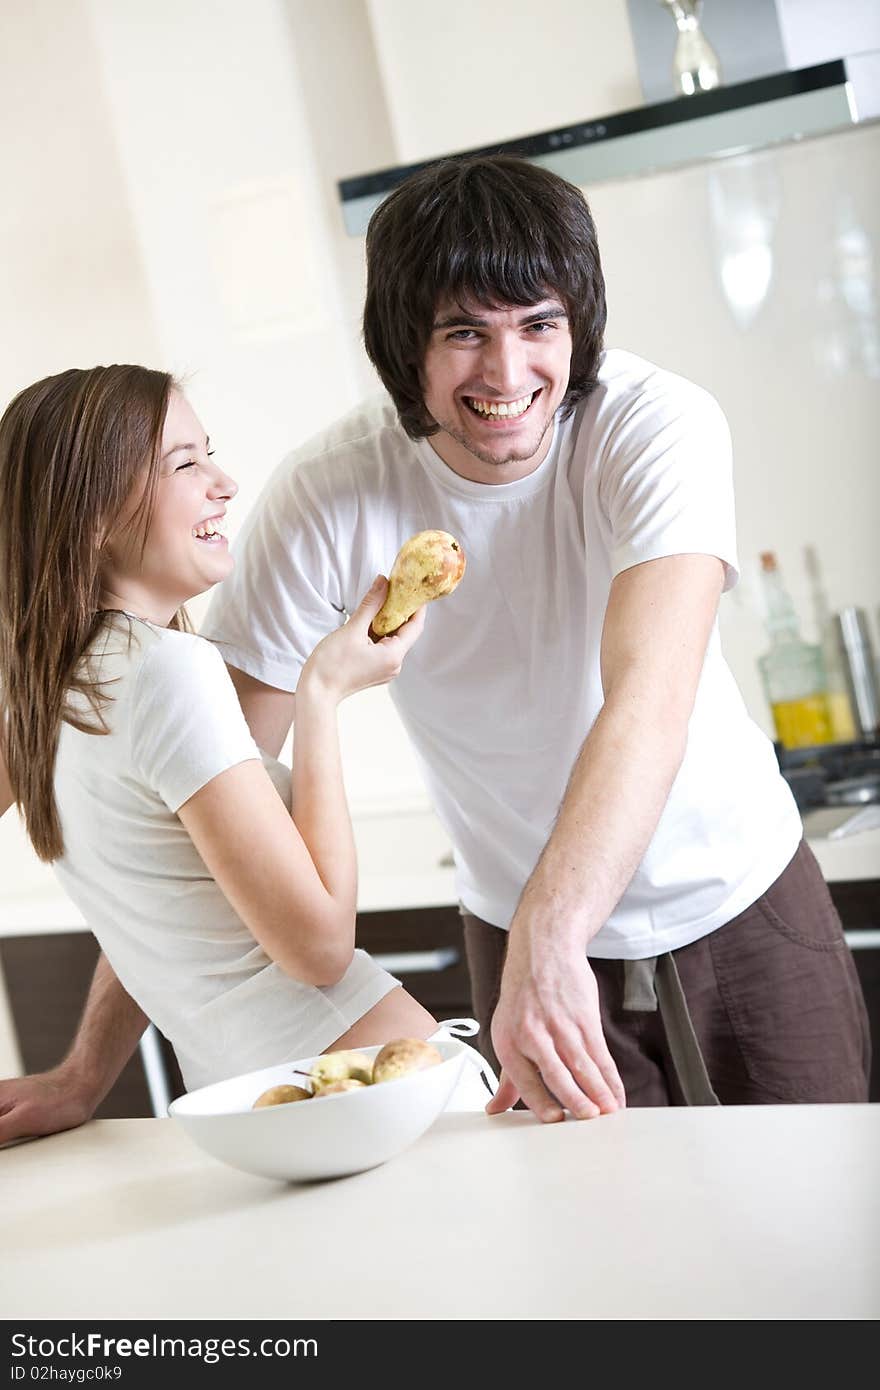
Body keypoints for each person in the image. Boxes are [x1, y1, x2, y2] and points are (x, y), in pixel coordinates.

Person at [0, 156, 870, 1139]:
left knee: (818, 1219)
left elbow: (646, 698)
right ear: (402, 346)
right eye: (464, 333)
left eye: (538, 325)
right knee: (605, 1275)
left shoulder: (652, 425)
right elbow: (206, 836)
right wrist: (86, 1070)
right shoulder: (324, 497)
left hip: (737, 894)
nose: (506, 375)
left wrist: (555, 931)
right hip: (516, 930)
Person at [0, 363, 491, 1126]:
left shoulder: (38, 700)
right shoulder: (169, 672)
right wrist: (320, 690)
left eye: (210, 454)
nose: (224, 484)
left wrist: (81, 1077)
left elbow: (169, 908)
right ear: (91, 513)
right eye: (185, 463)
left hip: (261, 1115)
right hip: (375, 1098)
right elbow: (321, 952)